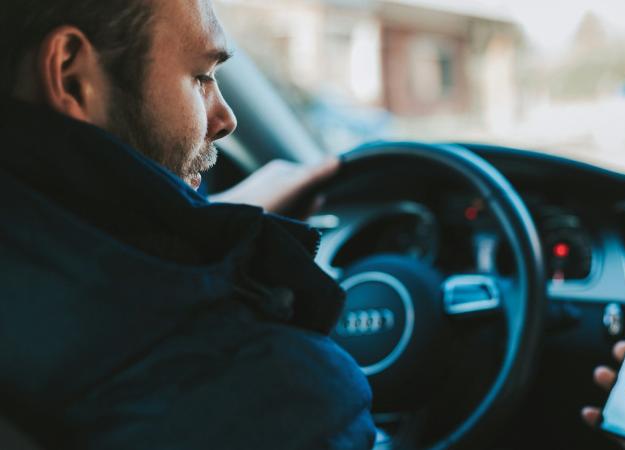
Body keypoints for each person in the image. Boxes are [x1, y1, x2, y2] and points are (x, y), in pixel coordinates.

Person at [0, 0, 372, 449]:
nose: (225, 119)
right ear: (72, 77)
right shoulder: (269, 387)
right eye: (201, 77)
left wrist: (210, 227)